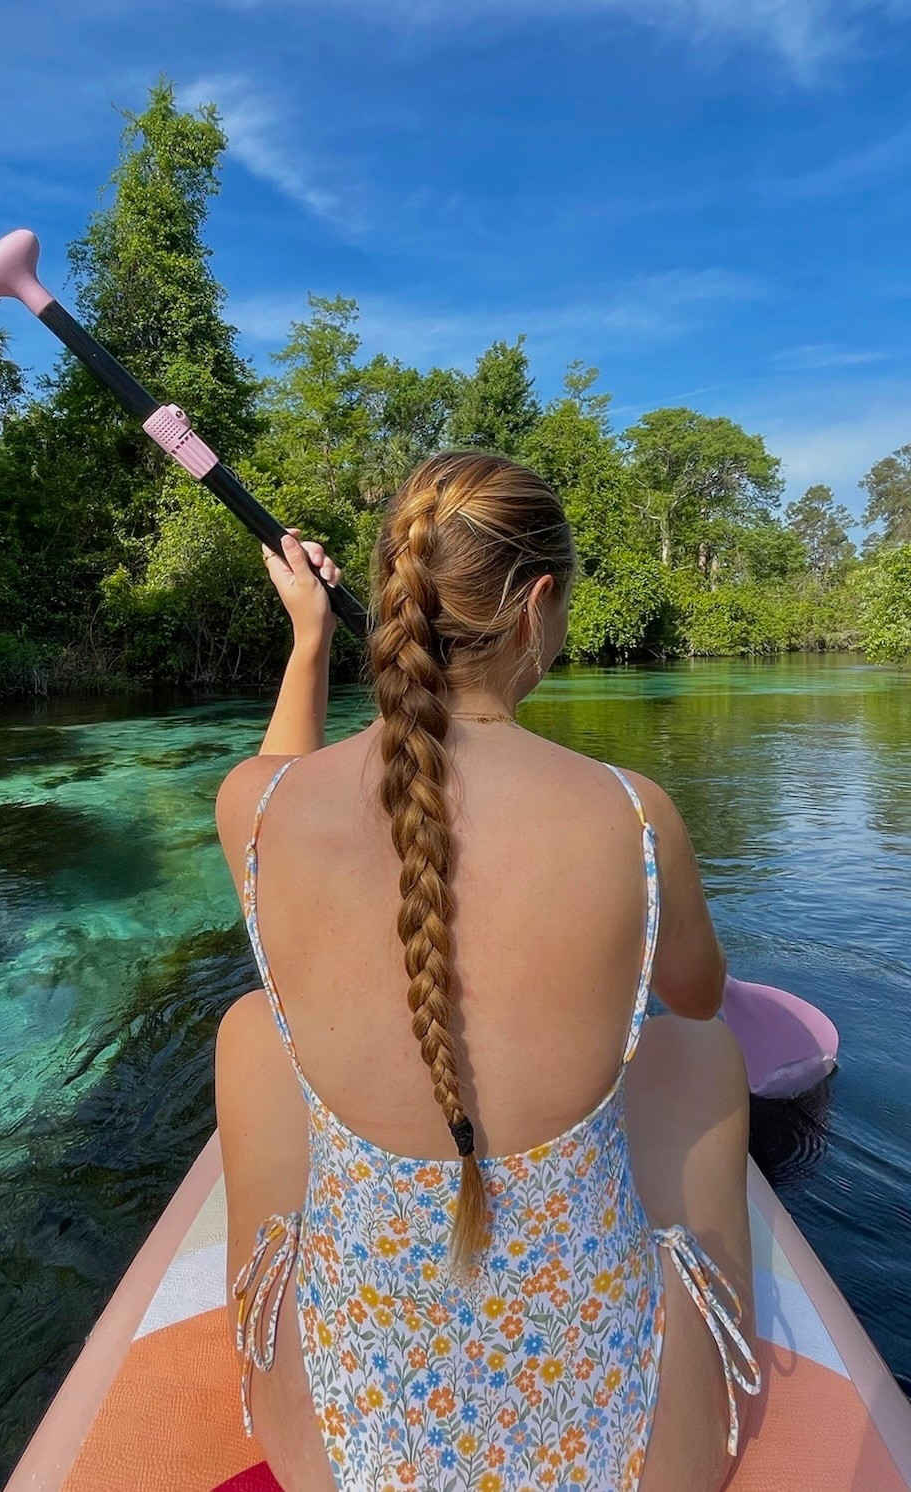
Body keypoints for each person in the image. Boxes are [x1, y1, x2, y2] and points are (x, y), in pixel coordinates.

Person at [215, 452, 761, 1492]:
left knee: (250, 1026)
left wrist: (307, 644)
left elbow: (270, 787)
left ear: (392, 599)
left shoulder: (260, 810)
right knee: (706, 1051)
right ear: (538, 604)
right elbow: (697, 994)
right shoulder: (637, 815)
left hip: (347, 1444)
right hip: (616, 1449)